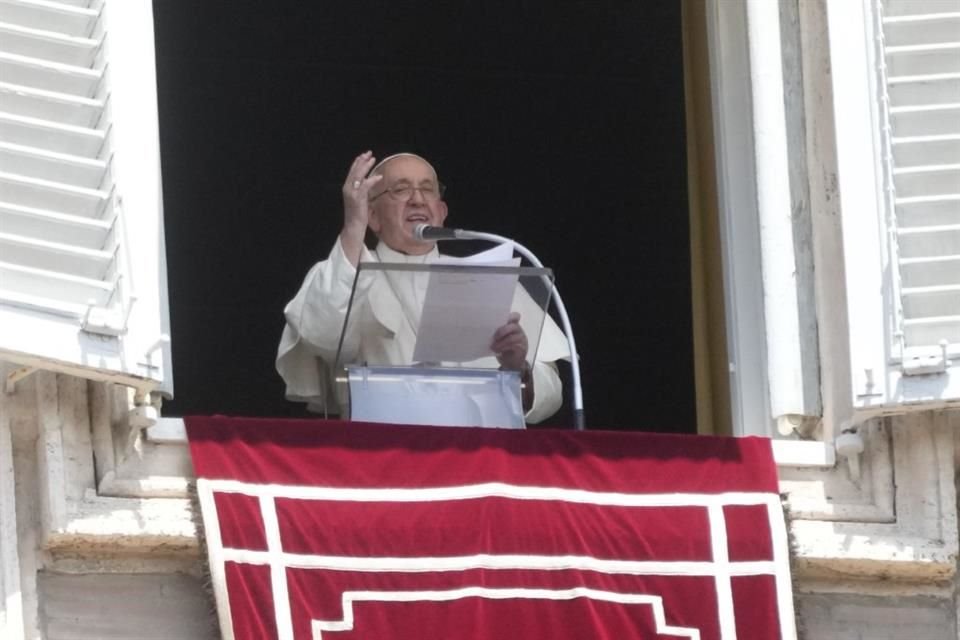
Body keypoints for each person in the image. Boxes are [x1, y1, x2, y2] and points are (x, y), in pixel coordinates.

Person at [276, 151, 568, 423]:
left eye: (427, 189)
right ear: (372, 215)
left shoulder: (492, 278)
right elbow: (324, 337)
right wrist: (353, 227)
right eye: (401, 189)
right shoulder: (342, 274)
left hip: (480, 458)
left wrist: (518, 371)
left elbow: (551, 390)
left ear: (441, 212)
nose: (417, 200)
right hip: (380, 458)